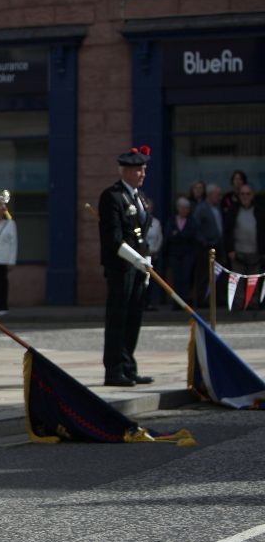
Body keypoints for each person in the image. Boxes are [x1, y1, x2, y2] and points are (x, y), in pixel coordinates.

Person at [98, 146, 154, 387]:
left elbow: (142, 234)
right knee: (118, 318)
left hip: (138, 266)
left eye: (144, 169)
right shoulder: (112, 196)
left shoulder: (139, 197)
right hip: (121, 266)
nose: (142, 173)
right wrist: (136, 259)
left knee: (134, 318)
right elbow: (113, 239)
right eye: (138, 170)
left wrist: (147, 258)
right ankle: (114, 370)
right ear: (126, 171)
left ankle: (128, 366)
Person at [163, 197, 199, 307]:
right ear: (178, 208)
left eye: (187, 208)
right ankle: (177, 302)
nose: (185, 210)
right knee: (176, 278)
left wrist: (178, 235)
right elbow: (168, 237)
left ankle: (186, 301)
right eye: (182, 208)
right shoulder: (172, 221)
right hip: (175, 254)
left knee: (186, 278)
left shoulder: (192, 221)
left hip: (188, 254)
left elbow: (193, 236)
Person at [224, 184, 265, 279]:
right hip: (237, 254)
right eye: (242, 194)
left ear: (252, 195)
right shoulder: (232, 210)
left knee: (253, 286)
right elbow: (227, 232)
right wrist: (230, 250)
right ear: (239, 195)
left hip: (256, 255)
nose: (245, 196)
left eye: (248, 193)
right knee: (237, 286)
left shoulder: (260, 211)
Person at [194, 184, 225, 306]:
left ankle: (217, 299)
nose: (220, 198)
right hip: (206, 247)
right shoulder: (201, 208)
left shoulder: (218, 208)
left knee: (219, 274)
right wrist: (203, 241)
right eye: (218, 195)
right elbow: (195, 227)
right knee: (204, 275)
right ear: (210, 195)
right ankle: (203, 300)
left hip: (219, 245)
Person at [144, 197, 164, 310]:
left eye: (150, 207)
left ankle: (149, 302)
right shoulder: (139, 221)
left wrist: (155, 249)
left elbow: (159, 237)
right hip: (141, 255)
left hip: (152, 254)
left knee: (150, 280)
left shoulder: (156, 222)